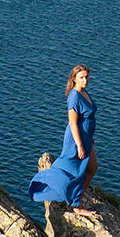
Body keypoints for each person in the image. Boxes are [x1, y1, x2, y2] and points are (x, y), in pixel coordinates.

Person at [28, 64, 97, 217]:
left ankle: (75, 199)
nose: (85, 80)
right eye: (81, 78)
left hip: (86, 138)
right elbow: (73, 123)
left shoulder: (84, 92)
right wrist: (79, 145)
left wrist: (89, 139)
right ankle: (75, 205)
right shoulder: (74, 97)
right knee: (74, 171)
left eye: (86, 77)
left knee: (92, 168)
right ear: (74, 79)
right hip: (76, 140)